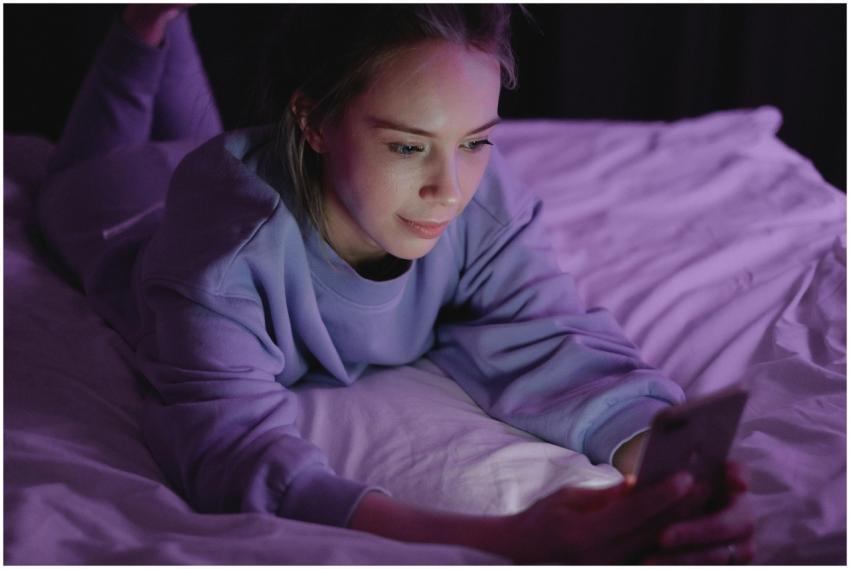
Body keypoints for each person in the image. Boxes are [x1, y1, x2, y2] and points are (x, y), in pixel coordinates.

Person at [36, 4, 754, 564]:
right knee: (111, 143)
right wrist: (511, 541)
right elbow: (232, 453)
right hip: (117, 211)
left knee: (196, 120)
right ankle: (143, 19)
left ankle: (168, 17)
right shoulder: (222, 259)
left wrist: (666, 466)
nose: (449, 189)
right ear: (312, 119)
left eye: (474, 140)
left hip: (230, 173)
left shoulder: (481, 201)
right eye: (409, 145)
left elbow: (553, 337)